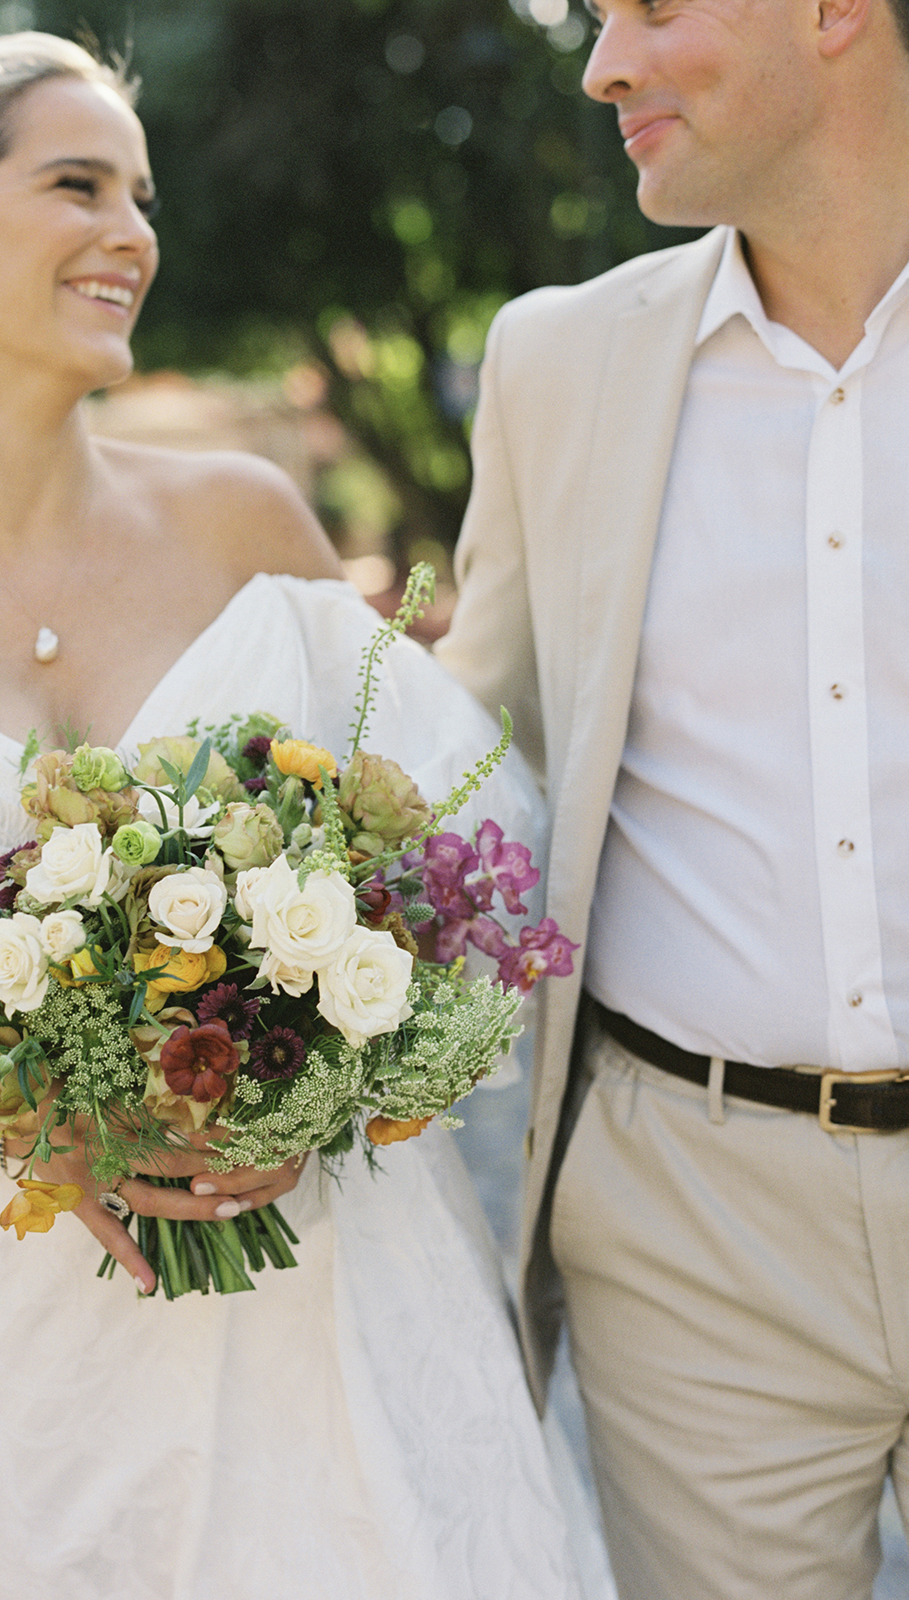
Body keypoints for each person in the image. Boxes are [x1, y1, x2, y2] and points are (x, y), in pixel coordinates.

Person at [0, 33, 601, 1600]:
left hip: (316, 1312)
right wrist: (66, 1124)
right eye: (78, 185)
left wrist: (318, 1071)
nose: (133, 230)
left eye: (141, 192)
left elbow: (432, 886)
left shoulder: (244, 520)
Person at [437, 0, 909, 1593]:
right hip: (687, 1215)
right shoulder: (555, 359)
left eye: (649, 6)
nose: (600, 65)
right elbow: (465, 749)